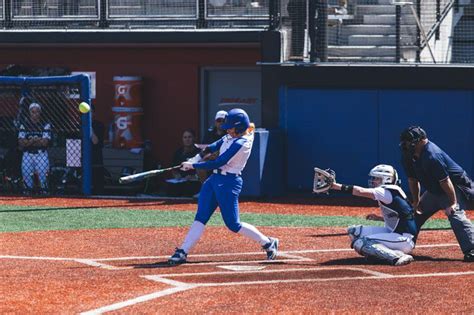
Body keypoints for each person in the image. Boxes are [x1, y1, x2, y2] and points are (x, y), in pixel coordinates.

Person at [167, 108, 278, 264]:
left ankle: (267, 242)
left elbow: (220, 161)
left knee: (233, 224)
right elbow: (213, 146)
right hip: (214, 180)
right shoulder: (233, 134)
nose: (228, 130)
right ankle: (183, 251)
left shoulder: (241, 143)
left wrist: (194, 166)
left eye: (231, 127)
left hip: (229, 183)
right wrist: (195, 157)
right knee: (201, 217)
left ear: (239, 128)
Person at [400, 126, 474, 262]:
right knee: (414, 215)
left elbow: (446, 181)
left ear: (421, 140)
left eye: (409, 142)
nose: (406, 145)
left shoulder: (432, 155)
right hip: (434, 190)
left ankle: (471, 248)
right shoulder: (408, 157)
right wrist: (416, 202)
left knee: (455, 213)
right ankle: (403, 246)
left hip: (455, 187)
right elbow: (412, 180)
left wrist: (453, 203)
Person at [330, 164, 418, 266]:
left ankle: (397, 256)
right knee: (354, 232)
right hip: (398, 234)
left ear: (386, 179)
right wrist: (380, 218)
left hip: (403, 239)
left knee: (361, 242)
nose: (373, 181)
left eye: (377, 178)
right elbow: (401, 215)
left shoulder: (385, 190)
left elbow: (360, 191)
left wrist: (335, 186)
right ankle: (383, 255)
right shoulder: (392, 191)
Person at [18, 102, 51, 194]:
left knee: (43, 179)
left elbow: (45, 142)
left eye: (36, 112)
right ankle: (26, 197)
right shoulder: (24, 124)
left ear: (40, 113)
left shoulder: (45, 124)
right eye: (32, 112)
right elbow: (21, 142)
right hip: (27, 154)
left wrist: (29, 141)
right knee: (26, 179)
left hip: (41, 154)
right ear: (29, 113)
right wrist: (35, 140)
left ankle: (45, 197)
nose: (34, 114)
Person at [166, 129, 201, 197]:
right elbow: (174, 168)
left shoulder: (199, 153)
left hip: (194, 181)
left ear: (194, 138)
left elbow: (204, 169)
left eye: (189, 137)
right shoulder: (178, 153)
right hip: (181, 180)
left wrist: (194, 177)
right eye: (185, 137)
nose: (187, 139)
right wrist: (176, 175)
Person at [196, 110, 228, 184]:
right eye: (219, 120)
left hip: (225, 159)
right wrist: (206, 155)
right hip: (210, 158)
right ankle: (205, 189)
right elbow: (204, 148)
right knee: (200, 165)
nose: (221, 123)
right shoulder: (209, 133)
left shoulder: (230, 133)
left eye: (223, 121)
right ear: (215, 122)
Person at [91, 105, 105, 195]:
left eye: (91, 112)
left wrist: (89, 128)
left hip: (95, 158)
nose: (89, 114)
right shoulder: (78, 125)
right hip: (81, 158)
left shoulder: (99, 125)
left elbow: (95, 141)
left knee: (98, 183)